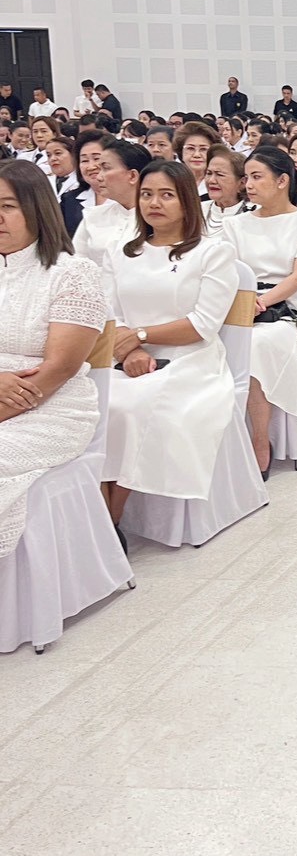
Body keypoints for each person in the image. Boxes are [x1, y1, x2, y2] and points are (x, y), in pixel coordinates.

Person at [101, 161, 239, 527]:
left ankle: (111, 517)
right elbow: (109, 314)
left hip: (189, 359)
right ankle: (97, 511)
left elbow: (202, 324)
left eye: (166, 195)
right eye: (146, 194)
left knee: (134, 406)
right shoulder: (120, 251)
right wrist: (131, 348)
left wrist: (141, 336)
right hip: (123, 356)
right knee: (95, 403)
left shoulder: (212, 252)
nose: (154, 203)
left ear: (187, 201)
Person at [0, 160, 108, 560]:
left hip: (54, 407)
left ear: (36, 208)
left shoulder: (73, 273)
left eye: (8, 206)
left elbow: (58, 369)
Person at [221, 147, 297, 477]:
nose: (249, 185)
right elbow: (225, 273)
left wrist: (262, 303)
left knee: (254, 345)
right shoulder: (234, 224)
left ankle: (259, 441)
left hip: (291, 308)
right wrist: (244, 304)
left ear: (282, 181)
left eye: (257, 177)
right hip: (242, 304)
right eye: (246, 178)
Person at [71, 140, 148, 266]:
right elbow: (75, 263)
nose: (99, 177)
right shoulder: (93, 216)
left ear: (133, 176)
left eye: (106, 168)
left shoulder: (155, 219)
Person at [203, 144, 251, 236]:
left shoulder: (253, 214)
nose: (211, 180)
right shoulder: (197, 210)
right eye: (209, 173)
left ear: (242, 183)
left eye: (220, 174)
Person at [44, 138, 88, 235]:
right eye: (48, 155)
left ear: (73, 155)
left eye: (58, 153)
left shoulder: (84, 182)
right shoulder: (44, 181)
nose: (53, 158)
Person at [174, 121, 222, 198]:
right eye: (190, 148)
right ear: (181, 151)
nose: (197, 155)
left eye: (203, 149)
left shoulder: (221, 183)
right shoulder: (171, 181)